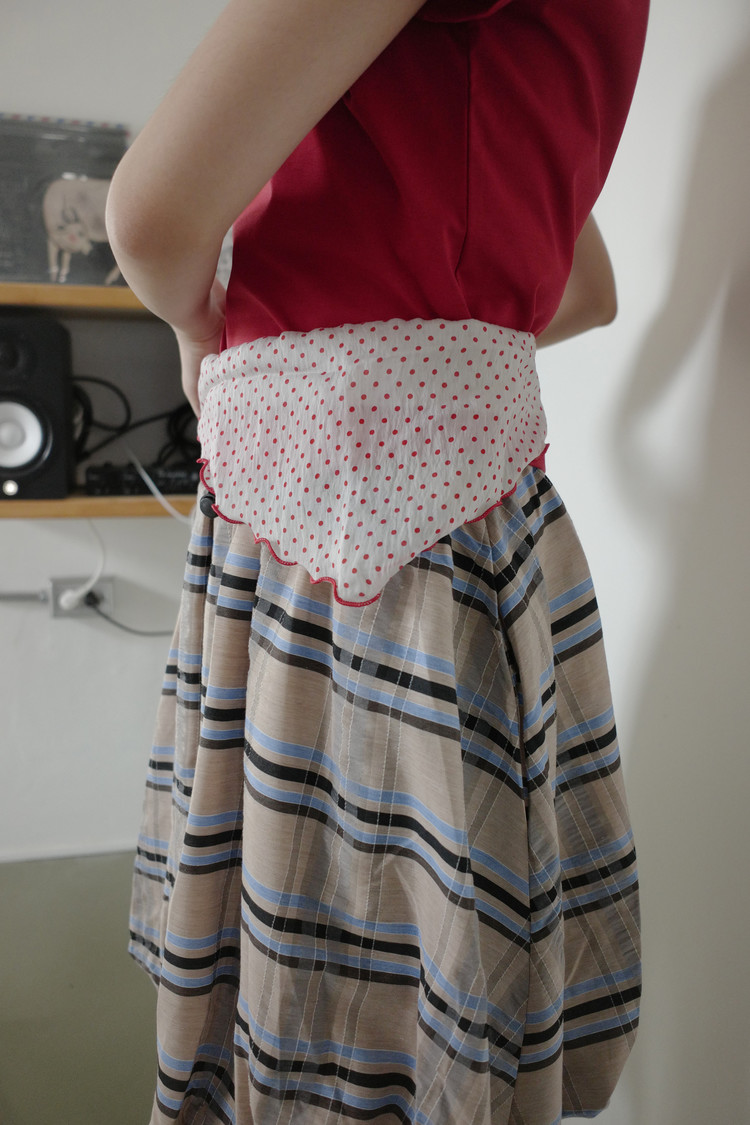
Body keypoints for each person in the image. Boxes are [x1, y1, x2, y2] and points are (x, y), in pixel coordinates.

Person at [106, 1, 649, 1122]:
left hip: (345, 534)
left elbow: (154, 220)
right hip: (457, 527)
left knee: (321, 983)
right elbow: (586, 291)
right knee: (423, 963)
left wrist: (201, 330)